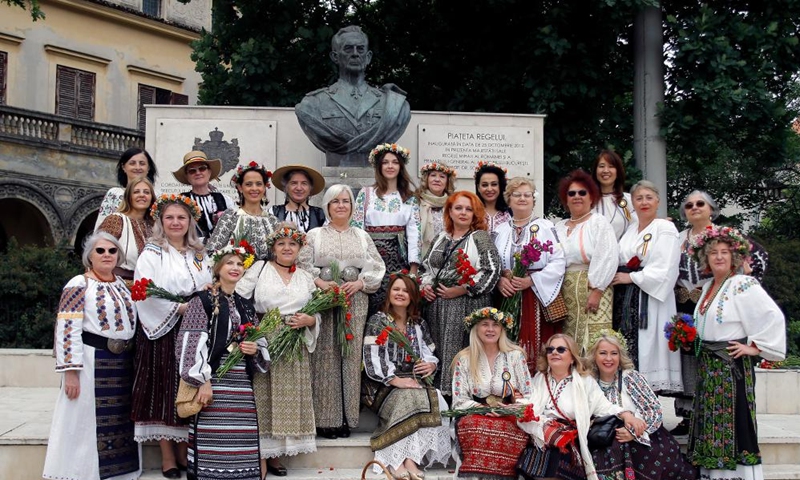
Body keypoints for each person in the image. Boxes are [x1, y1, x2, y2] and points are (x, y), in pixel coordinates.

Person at [686, 225, 785, 480]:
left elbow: (771, 316)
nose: (719, 257)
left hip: (731, 367)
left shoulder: (742, 283)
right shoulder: (709, 286)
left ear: (734, 257)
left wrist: (754, 347)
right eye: (713, 253)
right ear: (705, 258)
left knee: (735, 423)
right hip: (708, 368)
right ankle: (712, 474)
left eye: (724, 252)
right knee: (710, 425)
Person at [671, 190, 769, 435]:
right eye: (689, 204)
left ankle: (716, 413)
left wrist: (746, 280)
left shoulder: (724, 236)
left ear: (711, 209)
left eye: (700, 203)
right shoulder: (679, 238)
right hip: (683, 303)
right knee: (688, 357)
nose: (695, 207)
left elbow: (759, 254)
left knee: (713, 355)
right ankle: (688, 414)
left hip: (716, 301)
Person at [43, 232, 140, 480]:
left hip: (121, 363)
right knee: (83, 421)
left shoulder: (120, 285)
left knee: (120, 416)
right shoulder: (78, 284)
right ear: (89, 256)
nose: (107, 255)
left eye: (112, 251)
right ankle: (79, 472)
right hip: (90, 361)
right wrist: (71, 373)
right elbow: (67, 328)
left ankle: (120, 472)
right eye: (100, 251)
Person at [132, 194, 213, 478]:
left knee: (187, 387)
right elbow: (145, 290)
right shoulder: (153, 253)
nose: (176, 222)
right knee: (164, 390)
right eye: (170, 218)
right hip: (164, 330)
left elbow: (209, 286)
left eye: (181, 217)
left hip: (194, 328)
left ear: (190, 221)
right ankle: (168, 454)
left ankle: (183, 450)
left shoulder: (199, 253)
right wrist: (178, 308)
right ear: (161, 222)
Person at [297, 184, 386, 439]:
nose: (341, 206)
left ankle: (347, 417)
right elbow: (302, 263)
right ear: (327, 205)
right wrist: (321, 282)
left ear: (352, 206)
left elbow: (377, 266)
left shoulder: (361, 235)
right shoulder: (314, 235)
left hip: (354, 299)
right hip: (324, 297)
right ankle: (326, 420)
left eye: (346, 201)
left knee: (349, 354)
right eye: (335, 201)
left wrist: (360, 283)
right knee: (325, 356)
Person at [176, 243, 270, 480]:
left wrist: (253, 349)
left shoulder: (246, 306)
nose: (235, 267)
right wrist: (202, 382)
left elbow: (260, 342)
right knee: (212, 438)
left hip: (241, 386)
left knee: (241, 440)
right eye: (229, 263)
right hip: (213, 381)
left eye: (239, 264)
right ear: (217, 268)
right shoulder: (202, 301)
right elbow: (190, 342)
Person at [236, 225, 320, 477]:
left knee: (290, 395)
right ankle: (262, 455)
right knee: (265, 394)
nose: (286, 248)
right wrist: (251, 329)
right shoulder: (259, 269)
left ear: (299, 249)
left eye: (292, 244)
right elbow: (238, 297)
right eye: (281, 243)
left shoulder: (305, 276)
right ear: (273, 247)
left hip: (294, 340)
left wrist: (310, 321)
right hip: (267, 339)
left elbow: (316, 309)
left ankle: (277, 455)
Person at [518, 334, 645, 480]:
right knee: (535, 459)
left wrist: (627, 415)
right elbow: (528, 404)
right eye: (550, 349)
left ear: (572, 357)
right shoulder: (539, 379)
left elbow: (604, 406)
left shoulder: (585, 382)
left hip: (568, 440)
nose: (554, 352)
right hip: (541, 435)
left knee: (554, 461)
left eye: (560, 349)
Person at [362, 273, 450, 480]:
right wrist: (395, 380)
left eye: (405, 291)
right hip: (382, 384)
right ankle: (395, 461)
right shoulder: (378, 321)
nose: (400, 294)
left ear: (412, 296)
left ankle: (411, 459)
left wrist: (430, 364)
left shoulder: (417, 324)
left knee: (432, 397)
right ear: (389, 293)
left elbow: (430, 351)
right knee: (409, 398)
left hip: (412, 381)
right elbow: (371, 357)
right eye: (396, 289)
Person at [586, 330, 698, 479]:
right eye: (603, 353)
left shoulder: (630, 378)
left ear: (620, 356)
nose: (609, 358)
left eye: (614, 353)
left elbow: (654, 409)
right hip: (602, 436)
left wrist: (634, 432)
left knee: (654, 454)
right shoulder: (587, 381)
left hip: (641, 434)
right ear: (594, 355)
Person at [295, 25, 411, 167]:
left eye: (360, 49)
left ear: (368, 57)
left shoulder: (393, 105)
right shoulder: (312, 104)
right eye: (348, 48)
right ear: (335, 57)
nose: (355, 54)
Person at [420, 191, 501, 395]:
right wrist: (426, 287)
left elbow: (492, 270)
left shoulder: (479, 237)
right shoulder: (440, 237)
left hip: (466, 305)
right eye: (458, 208)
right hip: (437, 307)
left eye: (469, 209)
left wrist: (463, 289)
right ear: (450, 211)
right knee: (438, 349)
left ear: (475, 214)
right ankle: (439, 397)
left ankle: (461, 396)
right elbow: (426, 268)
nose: (463, 213)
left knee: (459, 351)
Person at [611, 180, 682, 395]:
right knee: (627, 349)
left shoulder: (665, 228)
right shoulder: (631, 229)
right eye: (639, 198)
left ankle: (649, 407)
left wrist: (631, 277)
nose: (644, 202)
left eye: (649, 198)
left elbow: (666, 267)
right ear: (632, 202)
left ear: (658, 201)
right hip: (625, 297)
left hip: (648, 298)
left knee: (647, 347)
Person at [451, 307, 534, 480]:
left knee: (512, 428)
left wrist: (512, 407)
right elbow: (459, 400)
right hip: (475, 413)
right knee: (476, 426)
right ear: (476, 329)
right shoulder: (464, 359)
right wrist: (481, 409)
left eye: (495, 325)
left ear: (502, 329)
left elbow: (529, 395)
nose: (490, 329)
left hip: (509, 412)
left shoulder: (515, 356)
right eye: (485, 324)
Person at [494, 177, 565, 368]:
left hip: (536, 295)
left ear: (534, 200)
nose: (522, 199)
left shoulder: (545, 226)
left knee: (536, 342)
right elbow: (492, 262)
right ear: (509, 199)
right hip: (508, 294)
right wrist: (500, 279)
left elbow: (559, 260)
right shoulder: (500, 230)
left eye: (527, 195)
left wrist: (532, 280)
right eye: (517, 195)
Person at [352, 143, 421, 317]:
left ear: (401, 166)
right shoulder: (366, 194)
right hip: (372, 256)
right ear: (379, 167)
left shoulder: (409, 198)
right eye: (385, 162)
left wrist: (413, 270)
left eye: (395, 162)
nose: (390, 166)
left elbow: (414, 233)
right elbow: (357, 229)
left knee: (395, 304)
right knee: (372, 303)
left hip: (398, 257)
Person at [554, 170, 618, 353]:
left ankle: (597, 380)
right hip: (566, 289)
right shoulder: (558, 227)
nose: (577, 197)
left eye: (582, 193)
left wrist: (597, 289)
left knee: (595, 340)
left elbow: (607, 256)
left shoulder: (598, 222)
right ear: (565, 199)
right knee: (568, 338)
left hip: (593, 285)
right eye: (571, 193)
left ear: (592, 197)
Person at [207, 162, 279, 260]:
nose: (254, 188)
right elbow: (212, 252)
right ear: (240, 188)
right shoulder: (230, 216)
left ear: (264, 187)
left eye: (259, 184)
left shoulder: (272, 221)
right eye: (249, 184)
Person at [97, 176, 155, 282]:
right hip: (116, 283)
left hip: (148, 287)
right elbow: (96, 253)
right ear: (129, 197)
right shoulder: (116, 220)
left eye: (146, 192)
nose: (142, 195)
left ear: (151, 197)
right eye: (136, 192)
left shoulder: (154, 226)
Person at [173, 150, 236, 241]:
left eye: (202, 168)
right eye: (192, 171)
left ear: (209, 172)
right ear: (187, 176)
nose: (198, 173)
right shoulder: (180, 201)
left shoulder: (225, 200)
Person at [95, 147, 158, 229]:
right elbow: (101, 226)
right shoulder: (114, 194)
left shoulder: (158, 196)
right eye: (132, 163)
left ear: (148, 168)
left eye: (142, 163)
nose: (137, 167)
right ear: (124, 167)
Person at [590, 150, 637, 240]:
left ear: (618, 172)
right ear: (595, 171)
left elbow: (640, 227)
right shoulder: (587, 200)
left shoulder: (629, 201)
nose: (606, 170)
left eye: (611, 166)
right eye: (601, 166)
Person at [267, 164, 327, 233]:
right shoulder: (274, 212)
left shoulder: (320, 215)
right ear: (286, 187)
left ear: (310, 188)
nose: (299, 188)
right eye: (294, 183)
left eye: (304, 183)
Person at [416, 161, 456, 257]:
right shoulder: (416, 201)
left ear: (447, 182)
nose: (437, 179)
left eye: (442, 177)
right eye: (433, 175)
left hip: (447, 256)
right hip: (422, 257)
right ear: (426, 179)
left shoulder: (453, 203)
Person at [473, 161, 511, 237]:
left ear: (500, 186)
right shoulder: (472, 211)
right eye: (484, 185)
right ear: (478, 187)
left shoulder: (510, 213)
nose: (489, 189)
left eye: (494, 184)